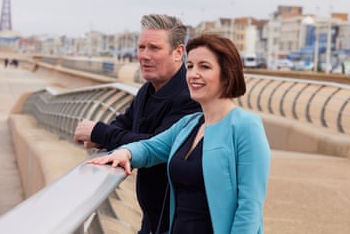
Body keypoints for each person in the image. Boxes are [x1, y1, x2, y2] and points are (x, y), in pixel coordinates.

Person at [88, 33, 271, 234]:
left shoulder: (246, 127)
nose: (193, 74)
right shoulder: (190, 124)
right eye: (190, 66)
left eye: (204, 66)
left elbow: (249, 208)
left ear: (227, 74)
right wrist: (125, 153)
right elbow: (150, 148)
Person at [74, 14, 201, 234]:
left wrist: (100, 132)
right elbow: (123, 125)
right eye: (141, 47)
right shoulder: (147, 90)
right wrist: (103, 135)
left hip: (177, 222)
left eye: (154, 48)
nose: (144, 55)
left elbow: (159, 144)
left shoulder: (189, 96)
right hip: (152, 219)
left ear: (178, 52)